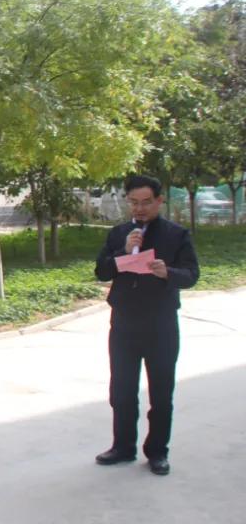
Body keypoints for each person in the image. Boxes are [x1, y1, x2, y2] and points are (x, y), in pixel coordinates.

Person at [93, 174, 199, 476]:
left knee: (161, 393)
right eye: (134, 203)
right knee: (122, 391)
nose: (140, 209)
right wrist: (123, 252)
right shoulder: (119, 234)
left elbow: (191, 274)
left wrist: (168, 273)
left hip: (160, 325)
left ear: (159, 201)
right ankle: (122, 447)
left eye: (146, 202)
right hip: (124, 324)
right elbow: (101, 271)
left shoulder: (176, 235)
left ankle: (157, 452)